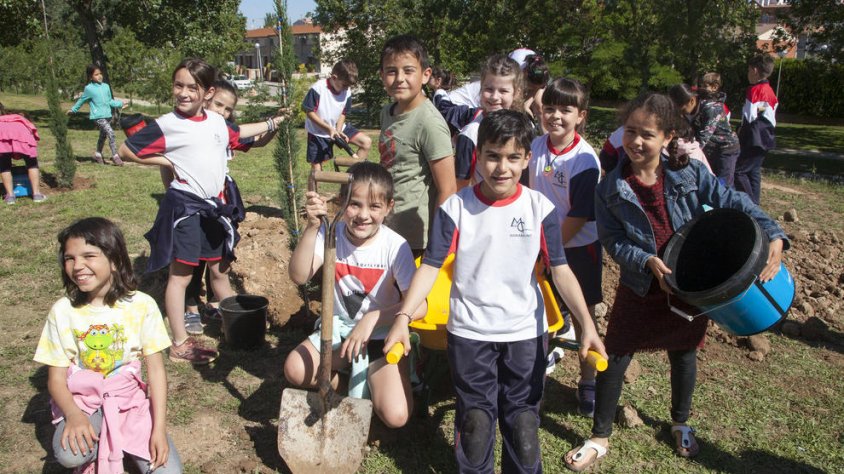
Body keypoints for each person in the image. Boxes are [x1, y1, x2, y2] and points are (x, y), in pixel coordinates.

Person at [564, 93, 788, 471]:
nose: (635, 142)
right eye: (630, 132)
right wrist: (647, 261)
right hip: (640, 284)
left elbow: (733, 199)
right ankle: (600, 436)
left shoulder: (691, 173)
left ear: (667, 137)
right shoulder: (610, 187)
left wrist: (774, 233)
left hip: (689, 279)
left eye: (646, 134)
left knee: (684, 352)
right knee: (616, 354)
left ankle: (680, 422)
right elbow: (613, 239)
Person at [385, 110, 606, 474]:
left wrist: (588, 326)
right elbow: (431, 266)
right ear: (479, 156)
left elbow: (561, 270)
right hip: (470, 334)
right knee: (476, 418)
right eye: (492, 155)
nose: (502, 167)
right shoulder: (456, 208)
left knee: (522, 421)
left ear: (526, 159)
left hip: (525, 334)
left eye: (513, 157)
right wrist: (402, 318)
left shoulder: (540, 209)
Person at [118, 58, 246, 364]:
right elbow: (125, 151)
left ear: (208, 92)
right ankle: (179, 343)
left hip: (212, 209)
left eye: (193, 87)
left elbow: (238, 134)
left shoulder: (216, 122)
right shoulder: (168, 125)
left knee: (218, 267)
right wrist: (167, 160)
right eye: (179, 85)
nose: (184, 93)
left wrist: (271, 124)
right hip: (185, 209)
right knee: (181, 275)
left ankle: (238, 326)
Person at [33, 217, 182, 474]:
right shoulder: (63, 311)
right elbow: (56, 379)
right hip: (84, 402)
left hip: (128, 403)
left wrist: (157, 429)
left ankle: (119, 436)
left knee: (168, 472)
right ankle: (99, 447)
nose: (78, 266)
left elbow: (157, 372)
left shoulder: (142, 306)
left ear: (114, 261)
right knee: (70, 456)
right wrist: (74, 415)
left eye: (89, 256)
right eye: (70, 258)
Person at [284, 161, 421, 427]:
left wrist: (372, 319)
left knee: (396, 416)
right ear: (340, 201)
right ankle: (345, 383)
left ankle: (393, 375)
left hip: (380, 338)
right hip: (339, 335)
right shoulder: (331, 233)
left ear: (389, 207)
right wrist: (313, 227)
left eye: (374, 206)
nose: (363, 215)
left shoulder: (395, 246)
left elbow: (420, 306)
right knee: (295, 369)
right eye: (354, 203)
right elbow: (299, 276)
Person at [527, 78, 602, 414]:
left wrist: (547, 251)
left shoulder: (585, 161)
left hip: (577, 248)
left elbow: (578, 217)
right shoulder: (535, 146)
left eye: (566, 110)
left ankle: (588, 382)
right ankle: (535, 376)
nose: (556, 115)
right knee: (539, 312)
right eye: (550, 108)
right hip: (540, 245)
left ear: (580, 116)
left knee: (583, 314)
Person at [378, 34, 456, 254]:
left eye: (408, 70)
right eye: (392, 71)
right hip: (386, 227)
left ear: (425, 75)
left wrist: (439, 244)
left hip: (416, 240)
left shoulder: (429, 122)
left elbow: (448, 189)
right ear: (382, 76)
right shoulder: (386, 113)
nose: (399, 78)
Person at [453, 54, 523, 188]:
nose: (494, 97)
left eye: (503, 91)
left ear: (516, 93)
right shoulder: (470, 134)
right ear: (481, 88)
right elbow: (461, 186)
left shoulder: (525, 127)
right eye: (489, 89)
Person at [302, 59, 371, 171]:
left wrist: (338, 130)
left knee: (366, 142)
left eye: (348, 86)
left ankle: (354, 178)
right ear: (334, 78)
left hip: (337, 127)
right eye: (344, 85)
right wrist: (329, 129)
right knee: (316, 169)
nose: (346, 89)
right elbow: (309, 111)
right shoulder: (318, 89)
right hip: (318, 132)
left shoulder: (347, 91)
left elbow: (343, 113)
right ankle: (313, 189)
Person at [669, 83, 738, 185]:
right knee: (710, 182)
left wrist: (686, 151)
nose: (681, 114)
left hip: (725, 150)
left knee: (723, 185)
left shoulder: (712, 108)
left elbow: (703, 138)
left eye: (682, 110)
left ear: (692, 100)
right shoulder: (689, 110)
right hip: (708, 151)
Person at [735, 54, 778, 204]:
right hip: (766, 136)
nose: (748, 74)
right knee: (753, 171)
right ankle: (756, 204)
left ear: (754, 70)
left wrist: (740, 131)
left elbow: (749, 116)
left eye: (748, 70)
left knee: (739, 171)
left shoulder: (754, 90)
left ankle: (750, 205)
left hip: (754, 136)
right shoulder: (770, 90)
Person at [68, 65, 126, 166]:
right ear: (91, 77)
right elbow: (81, 101)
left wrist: (120, 104)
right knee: (111, 133)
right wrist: (73, 110)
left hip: (107, 116)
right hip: (98, 117)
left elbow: (109, 101)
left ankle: (98, 154)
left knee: (103, 136)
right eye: (96, 74)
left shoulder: (106, 87)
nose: (99, 76)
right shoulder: (89, 89)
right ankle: (115, 156)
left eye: (100, 74)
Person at [0, 103, 46, 204]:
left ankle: (10, 197)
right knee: (32, 164)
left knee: (4, 166)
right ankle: (37, 195)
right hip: (22, 135)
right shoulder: (20, 118)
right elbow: (33, 131)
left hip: (2, 135)